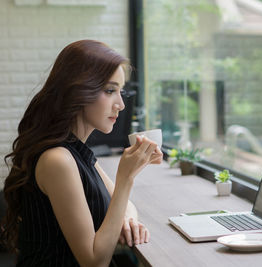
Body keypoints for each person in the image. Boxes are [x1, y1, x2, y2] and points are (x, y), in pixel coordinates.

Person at [1, 40, 163, 266]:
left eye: (120, 91)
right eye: (110, 90)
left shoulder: (76, 151)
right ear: (78, 91)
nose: (121, 104)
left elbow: (126, 205)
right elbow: (95, 262)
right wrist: (126, 178)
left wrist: (128, 221)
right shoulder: (57, 160)